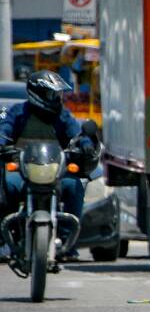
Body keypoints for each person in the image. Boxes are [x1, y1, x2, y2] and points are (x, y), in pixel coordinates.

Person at [0, 71, 98, 261]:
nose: (57, 99)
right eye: (53, 94)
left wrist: (86, 145)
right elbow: (4, 129)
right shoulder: (18, 112)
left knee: (74, 185)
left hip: (55, 172)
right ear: (39, 93)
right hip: (23, 171)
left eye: (58, 94)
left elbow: (78, 134)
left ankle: (66, 241)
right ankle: (7, 238)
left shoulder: (62, 115)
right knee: (8, 185)